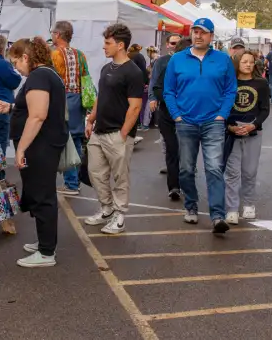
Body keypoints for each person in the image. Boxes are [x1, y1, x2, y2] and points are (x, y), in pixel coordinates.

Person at [0, 37, 69, 267]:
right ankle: (45, 244)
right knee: (41, 194)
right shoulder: (47, 75)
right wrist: (13, 107)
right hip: (44, 145)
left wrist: (21, 148)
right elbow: (34, 109)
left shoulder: (39, 76)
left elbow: (38, 115)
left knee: (42, 196)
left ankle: (46, 252)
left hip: (41, 146)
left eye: (16, 63)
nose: (16, 69)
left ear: (26, 57)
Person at [164, 18, 237, 234]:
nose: (198, 35)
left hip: (213, 122)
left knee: (214, 168)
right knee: (186, 169)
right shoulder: (177, 59)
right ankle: (191, 205)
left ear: (211, 36)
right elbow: (169, 91)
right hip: (186, 122)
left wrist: (222, 115)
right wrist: (177, 115)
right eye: (195, 31)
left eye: (203, 32)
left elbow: (230, 90)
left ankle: (218, 216)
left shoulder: (223, 60)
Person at [84, 24, 143, 235]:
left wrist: (123, 134)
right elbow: (101, 96)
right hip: (99, 131)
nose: (104, 47)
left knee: (120, 178)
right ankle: (107, 209)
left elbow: (135, 107)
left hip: (118, 133)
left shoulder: (134, 72)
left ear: (120, 45)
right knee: (95, 173)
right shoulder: (106, 68)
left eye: (108, 43)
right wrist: (91, 119)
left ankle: (119, 217)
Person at [225, 50, 270, 225]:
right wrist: (230, 126)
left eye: (251, 62)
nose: (248, 65)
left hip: (253, 131)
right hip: (232, 132)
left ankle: (249, 204)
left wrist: (254, 125)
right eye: (244, 62)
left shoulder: (261, 83)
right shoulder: (229, 82)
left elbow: (265, 110)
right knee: (232, 172)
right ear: (237, 63)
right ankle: (232, 208)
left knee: (250, 171)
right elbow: (223, 107)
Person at [50, 20, 90, 196]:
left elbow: (52, 80)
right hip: (79, 99)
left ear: (58, 34)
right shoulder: (80, 55)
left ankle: (71, 183)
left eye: (53, 33)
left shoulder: (54, 55)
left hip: (63, 99)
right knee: (76, 140)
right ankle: (75, 181)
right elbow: (86, 78)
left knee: (64, 141)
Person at [149, 34, 186, 199]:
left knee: (185, 150)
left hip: (188, 116)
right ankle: (174, 186)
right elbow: (156, 85)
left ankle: (185, 180)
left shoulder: (196, 67)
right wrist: (158, 98)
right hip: (168, 114)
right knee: (171, 148)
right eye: (173, 43)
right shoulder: (164, 63)